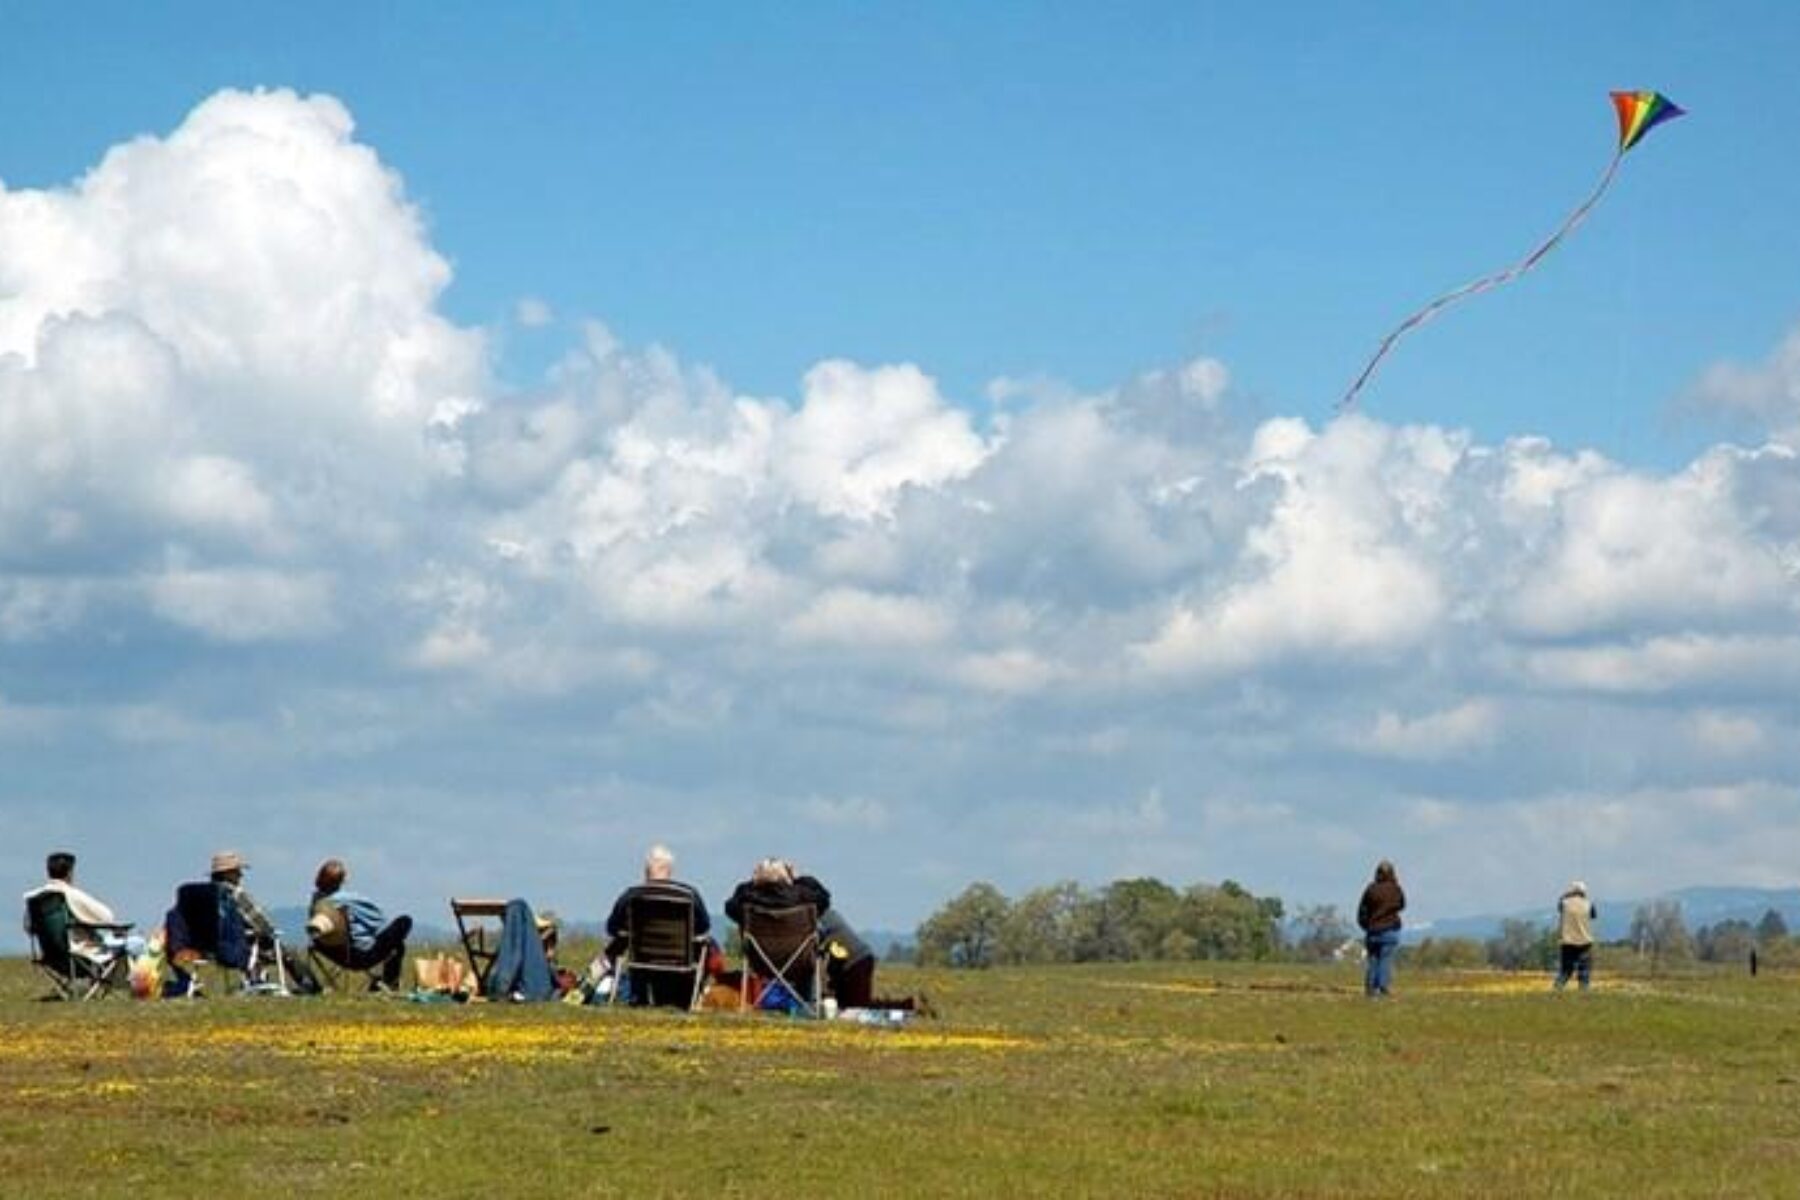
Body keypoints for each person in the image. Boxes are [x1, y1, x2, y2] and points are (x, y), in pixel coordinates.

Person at [725, 858, 921, 1013]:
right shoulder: (803, 897)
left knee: (852, 1010)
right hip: (806, 960)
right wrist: (797, 878)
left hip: (768, 962)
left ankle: (904, 1006)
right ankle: (905, 1005)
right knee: (851, 1010)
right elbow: (823, 896)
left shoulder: (748, 902)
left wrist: (754, 882)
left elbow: (730, 906)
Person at [604, 844, 713, 1006]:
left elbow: (612, 927)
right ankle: (695, 996)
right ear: (669, 870)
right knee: (710, 944)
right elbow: (704, 926)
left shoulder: (632, 895)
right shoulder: (689, 895)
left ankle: (634, 997)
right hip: (679, 962)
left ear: (647, 870)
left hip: (642, 963)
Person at [209, 850, 317, 993]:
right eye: (237, 871)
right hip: (244, 946)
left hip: (216, 950)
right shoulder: (235, 893)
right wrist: (272, 932)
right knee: (288, 953)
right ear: (227, 873)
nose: (241, 875)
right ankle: (310, 987)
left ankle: (256, 980)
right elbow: (261, 922)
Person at [308, 858, 413, 991]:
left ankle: (387, 983)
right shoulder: (348, 899)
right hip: (360, 955)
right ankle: (389, 983)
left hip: (333, 952)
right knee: (405, 921)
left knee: (397, 945)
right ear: (341, 880)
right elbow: (378, 920)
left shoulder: (316, 902)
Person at [22, 851, 125, 967]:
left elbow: (28, 927)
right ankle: (141, 984)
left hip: (51, 957)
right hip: (81, 955)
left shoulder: (34, 898)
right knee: (135, 943)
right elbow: (107, 916)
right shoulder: (70, 894)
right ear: (69, 872)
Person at [1356, 860, 1405, 998]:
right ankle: (1383, 988)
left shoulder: (1370, 889)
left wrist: (1366, 926)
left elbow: (1362, 911)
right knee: (1385, 960)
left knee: (1373, 961)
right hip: (1390, 929)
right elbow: (1402, 905)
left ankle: (1370, 990)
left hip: (1372, 931)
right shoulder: (1395, 889)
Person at [1553, 880, 1597, 992]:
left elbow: (1559, 907)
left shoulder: (1564, 903)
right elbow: (1593, 915)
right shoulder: (1589, 903)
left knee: (1566, 969)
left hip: (1567, 941)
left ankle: (1558, 988)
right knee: (1584, 969)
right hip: (1585, 941)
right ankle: (1584, 990)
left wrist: (1566, 895)